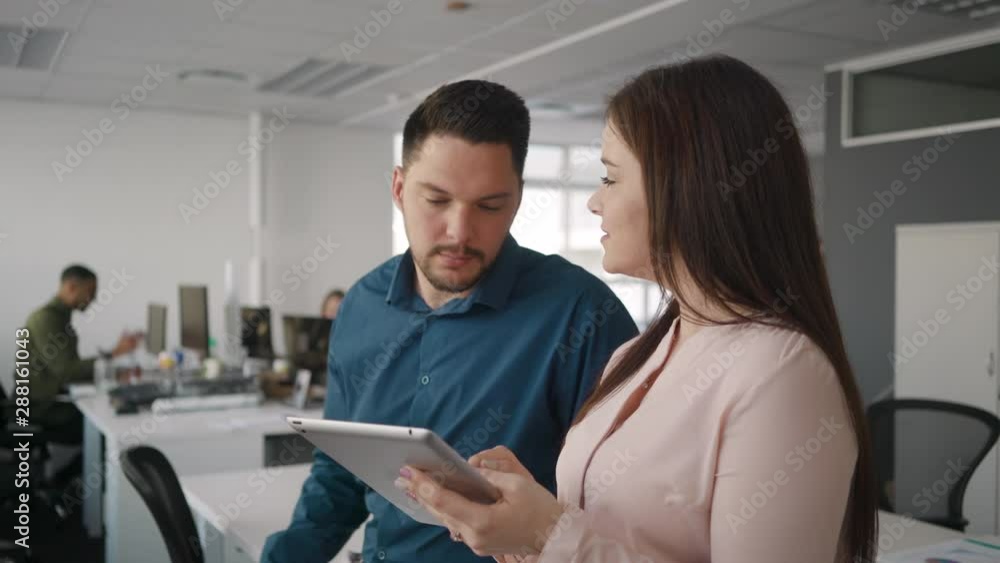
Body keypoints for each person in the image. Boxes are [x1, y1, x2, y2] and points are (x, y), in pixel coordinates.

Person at [396, 56, 878, 563]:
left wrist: (546, 534)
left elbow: (576, 545)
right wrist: (524, 521)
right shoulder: (639, 353)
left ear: (687, 186)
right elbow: (609, 535)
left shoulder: (781, 372)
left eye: (610, 178)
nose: (594, 203)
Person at [261, 80, 638, 563]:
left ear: (517, 200)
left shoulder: (581, 315)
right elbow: (339, 476)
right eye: (437, 201)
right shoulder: (360, 306)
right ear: (399, 189)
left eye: (489, 206)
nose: (459, 232)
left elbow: (621, 509)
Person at [20, 265, 141, 445]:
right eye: (90, 291)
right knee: (108, 425)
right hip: (42, 407)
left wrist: (113, 365)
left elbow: (69, 368)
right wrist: (115, 354)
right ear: (71, 287)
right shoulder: (46, 319)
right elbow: (66, 371)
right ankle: (85, 465)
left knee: (110, 413)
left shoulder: (59, 317)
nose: (93, 298)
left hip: (52, 399)